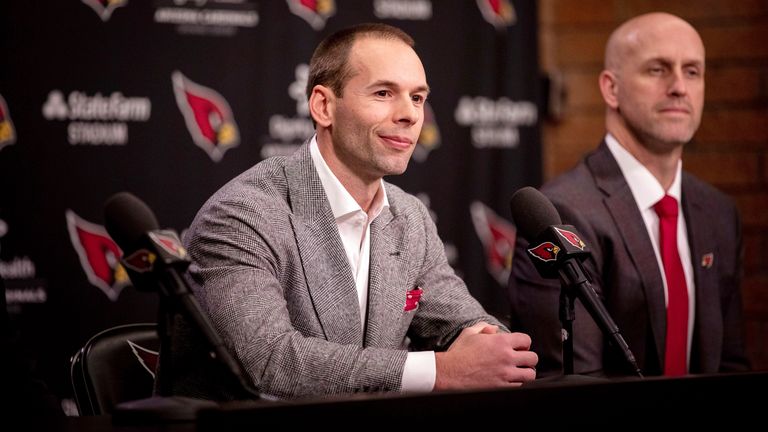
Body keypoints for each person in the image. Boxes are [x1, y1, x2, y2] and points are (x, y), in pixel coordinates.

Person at [160, 23, 537, 400]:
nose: (410, 115)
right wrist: (441, 370)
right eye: (384, 93)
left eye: (418, 98)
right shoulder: (242, 215)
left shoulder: (410, 218)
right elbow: (270, 362)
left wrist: (491, 347)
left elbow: (461, 322)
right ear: (324, 106)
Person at [507, 12, 751, 378]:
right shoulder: (562, 212)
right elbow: (572, 383)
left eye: (692, 71)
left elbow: (732, 363)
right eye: (657, 70)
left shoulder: (718, 211)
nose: (679, 87)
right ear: (611, 88)